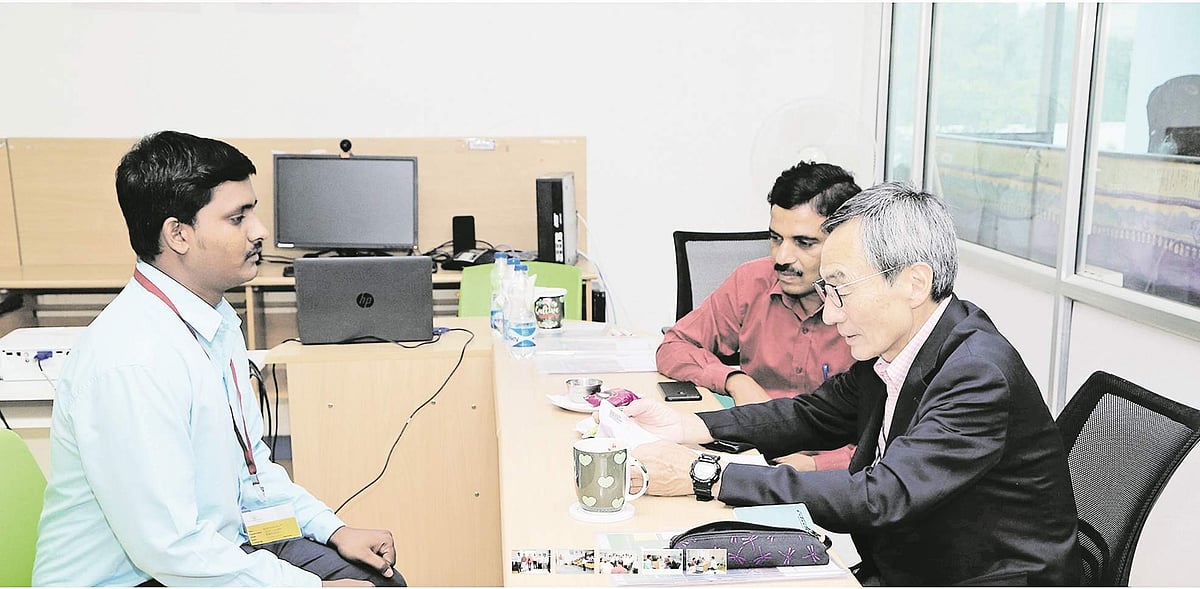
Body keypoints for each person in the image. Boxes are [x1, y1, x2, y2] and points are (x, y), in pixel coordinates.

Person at [628, 183, 1079, 585]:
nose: (830, 314)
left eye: (841, 289)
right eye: (826, 291)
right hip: (909, 565)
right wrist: (690, 428)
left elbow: (881, 495)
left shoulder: (978, 374)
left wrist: (707, 474)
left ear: (914, 282)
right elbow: (812, 415)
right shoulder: (897, 347)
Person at [33, 131, 405, 587]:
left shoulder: (214, 322)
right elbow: (169, 548)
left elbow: (252, 472)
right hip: (136, 577)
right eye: (237, 218)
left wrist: (332, 529)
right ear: (178, 234)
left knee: (379, 577)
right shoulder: (133, 361)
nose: (259, 231)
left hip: (211, 546)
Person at [656, 161, 861, 471]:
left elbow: (891, 435)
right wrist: (735, 380)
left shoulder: (869, 308)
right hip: (752, 450)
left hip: (833, 475)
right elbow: (673, 346)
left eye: (804, 243)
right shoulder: (752, 281)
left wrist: (814, 467)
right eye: (776, 238)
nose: (782, 258)